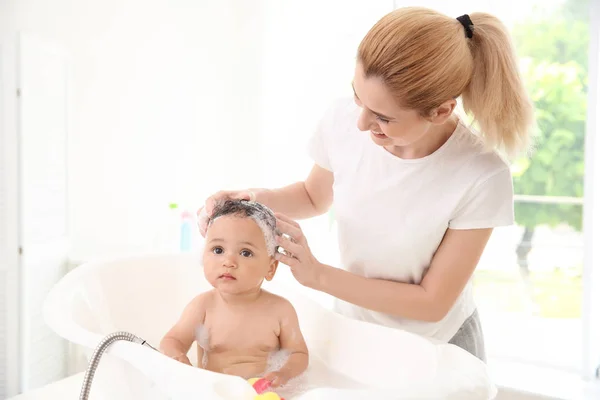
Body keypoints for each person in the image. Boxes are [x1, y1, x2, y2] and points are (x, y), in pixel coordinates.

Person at [197, 6, 534, 362]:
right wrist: (253, 198)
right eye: (358, 97)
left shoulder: (480, 175)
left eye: (383, 117)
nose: (360, 123)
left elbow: (431, 303)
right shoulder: (344, 121)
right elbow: (313, 196)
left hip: (436, 349)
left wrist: (318, 276)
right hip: (355, 331)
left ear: (440, 111)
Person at [160, 199, 309, 388]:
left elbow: (298, 354)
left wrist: (284, 373)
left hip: (262, 393)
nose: (228, 261)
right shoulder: (203, 307)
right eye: (218, 250)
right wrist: (177, 357)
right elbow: (172, 340)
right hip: (214, 392)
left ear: (270, 268)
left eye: (245, 253)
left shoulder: (281, 311)